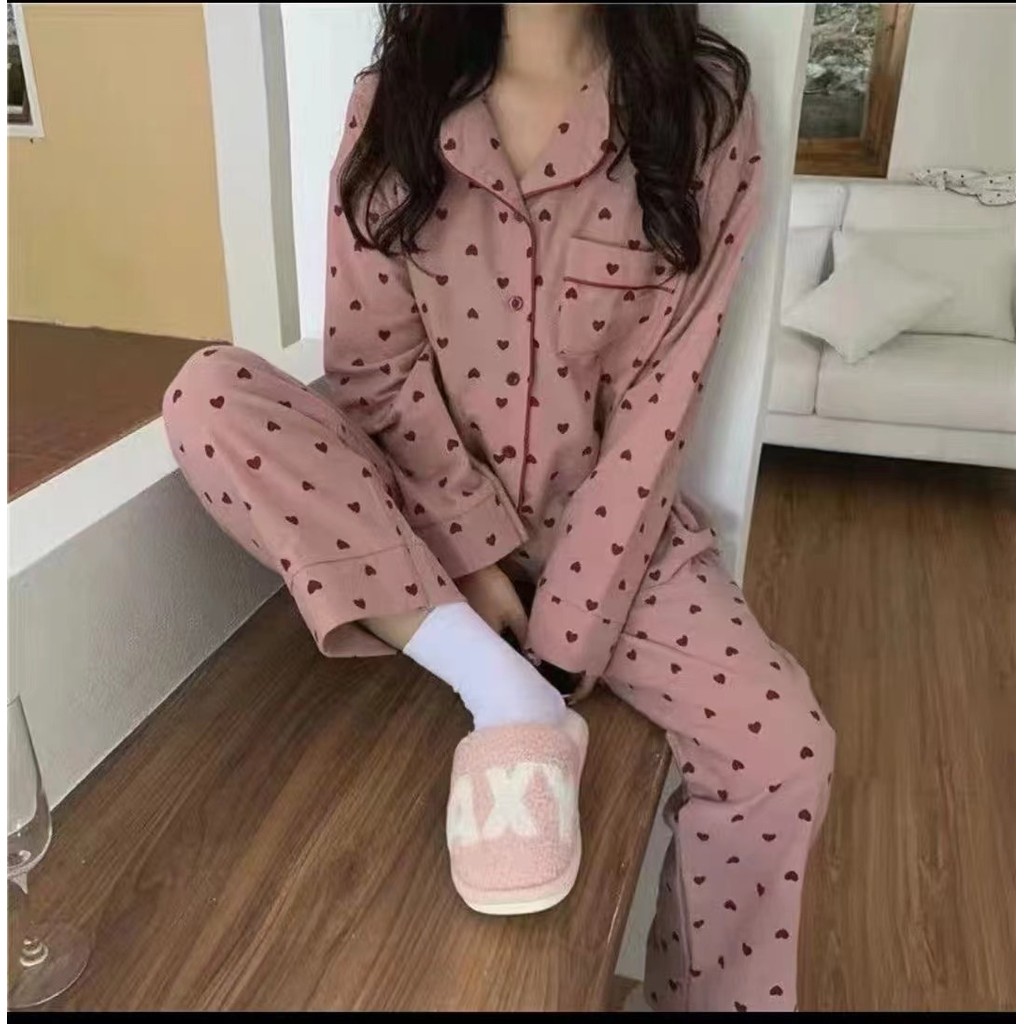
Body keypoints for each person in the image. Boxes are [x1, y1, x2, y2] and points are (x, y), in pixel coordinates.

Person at [163, 4, 834, 1012]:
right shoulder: (392, 104)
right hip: (412, 516)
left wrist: (562, 641)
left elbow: (659, 410)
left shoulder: (699, 112)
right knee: (208, 396)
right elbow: (373, 366)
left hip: (609, 529)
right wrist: (475, 564)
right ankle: (498, 689)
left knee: (785, 752)